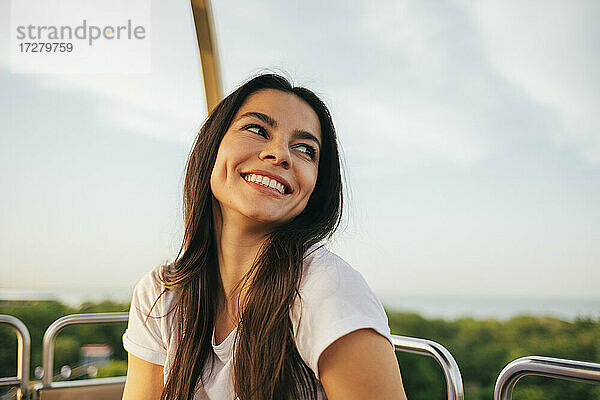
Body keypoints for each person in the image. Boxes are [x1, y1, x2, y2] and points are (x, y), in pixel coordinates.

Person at [121, 73, 407, 400]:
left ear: (315, 186)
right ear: (211, 147)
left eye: (305, 149)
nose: (279, 154)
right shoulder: (161, 294)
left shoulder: (328, 289)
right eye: (257, 130)